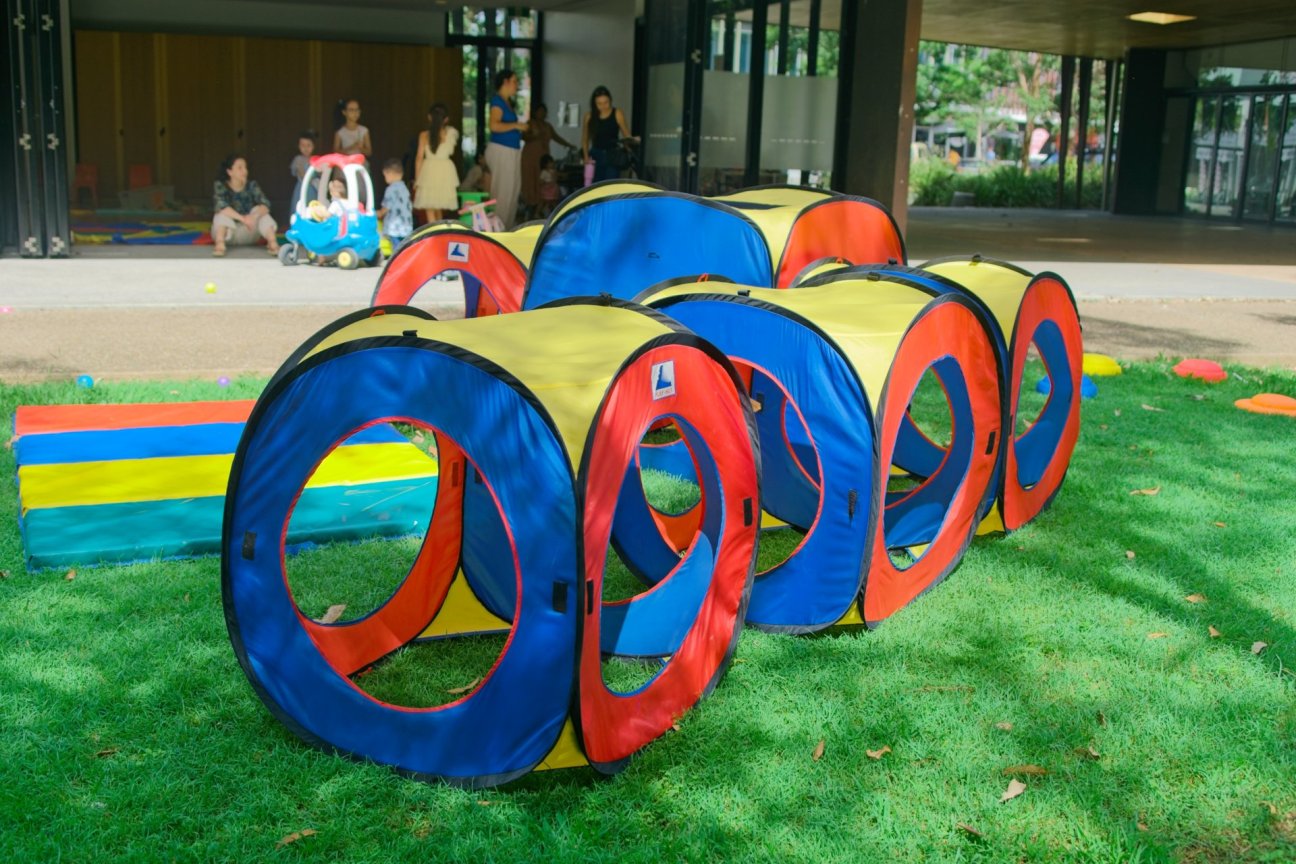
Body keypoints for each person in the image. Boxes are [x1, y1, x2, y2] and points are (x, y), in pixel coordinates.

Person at [211, 154, 278, 257]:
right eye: (240, 168)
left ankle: (273, 244)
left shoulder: (252, 185)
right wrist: (243, 219)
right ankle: (220, 245)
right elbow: (221, 205)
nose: (244, 171)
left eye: (245, 167)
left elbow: (265, 204)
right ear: (230, 172)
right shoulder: (221, 185)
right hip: (228, 234)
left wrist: (253, 217)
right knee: (221, 214)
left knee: (259, 210)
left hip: (248, 232)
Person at [485, 69, 528, 229]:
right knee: (503, 192)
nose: (516, 85)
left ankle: (507, 227)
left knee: (512, 191)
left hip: (512, 150)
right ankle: (498, 229)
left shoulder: (508, 102)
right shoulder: (497, 101)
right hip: (501, 150)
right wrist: (516, 125)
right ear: (505, 82)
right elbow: (494, 126)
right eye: (514, 81)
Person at [521, 103, 573, 220]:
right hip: (530, 156)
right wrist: (534, 136)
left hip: (542, 157)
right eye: (539, 111)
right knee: (531, 179)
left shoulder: (547, 126)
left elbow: (556, 137)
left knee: (543, 179)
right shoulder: (530, 123)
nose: (542, 114)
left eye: (543, 111)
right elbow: (523, 136)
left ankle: (539, 206)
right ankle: (530, 206)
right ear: (535, 112)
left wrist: (568, 145)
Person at [412, 103, 461, 223]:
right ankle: (439, 229)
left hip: (428, 169)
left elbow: (419, 157)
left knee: (429, 206)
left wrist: (417, 179)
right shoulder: (451, 134)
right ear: (446, 119)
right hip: (445, 170)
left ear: (429, 117)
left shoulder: (424, 135)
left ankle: (434, 230)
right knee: (439, 204)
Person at [582, 85, 633, 184]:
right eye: (599, 103)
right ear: (594, 104)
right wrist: (586, 156)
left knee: (610, 185)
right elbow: (585, 139)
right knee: (595, 185)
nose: (603, 106)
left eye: (606, 102)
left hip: (613, 155)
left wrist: (631, 151)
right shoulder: (589, 116)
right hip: (596, 154)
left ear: (610, 100)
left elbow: (627, 136)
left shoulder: (617, 113)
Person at [379, 157, 413, 249]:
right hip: (406, 228)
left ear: (389, 173)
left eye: (385, 175)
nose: (385, 178)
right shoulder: (405, 189)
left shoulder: (391, 190)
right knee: (404, 249)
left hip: (394, 228)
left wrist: (376, 214)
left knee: (396, 250)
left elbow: (384, 210)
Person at [289, 130, 316, 216]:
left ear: (313, 146)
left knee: (312, 208)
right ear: (299, 146)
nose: (306, 148)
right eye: (303, 145)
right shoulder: (298, 159)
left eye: (309, 145)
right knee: (300, 207)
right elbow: (301, 173)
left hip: (313, 188)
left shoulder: (315, 159)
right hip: (301, 187)